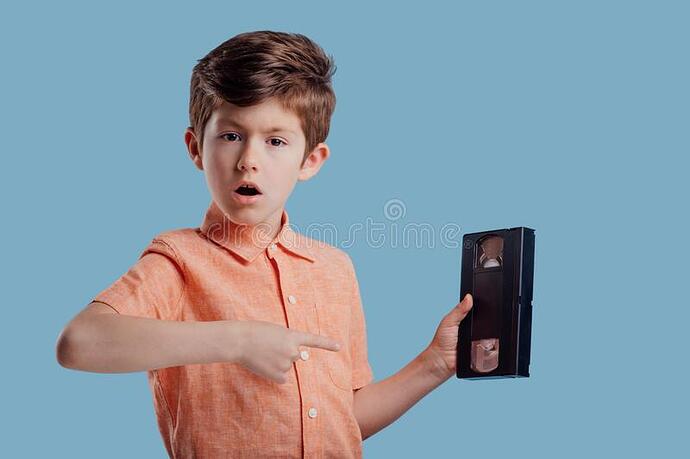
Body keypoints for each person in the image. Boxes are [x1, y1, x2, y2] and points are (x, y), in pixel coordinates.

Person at [55, 30, 474, 458]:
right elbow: (80, 342)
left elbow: (344, 419)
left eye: (276, 141)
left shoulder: (333, 269)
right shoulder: (179, 261)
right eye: (231, 135)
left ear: (310, 160)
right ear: (196, 148)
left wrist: (434, 365)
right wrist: (238, 341)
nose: (249, 159)